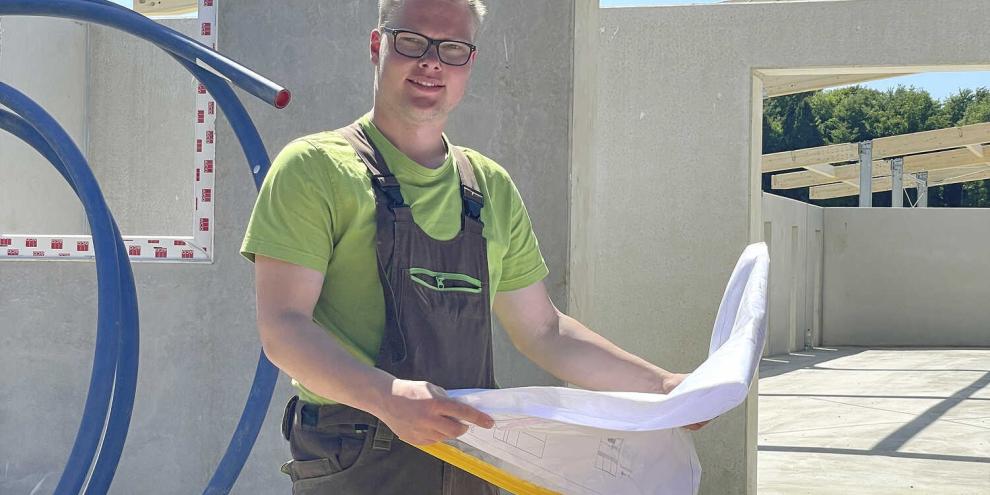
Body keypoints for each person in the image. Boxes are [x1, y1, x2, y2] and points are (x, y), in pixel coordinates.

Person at [241, 0, 706, 493]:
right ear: (377, 46)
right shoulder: (314, 169)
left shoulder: (488, 188)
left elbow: (545, 330)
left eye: (453, 49)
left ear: (470, 63)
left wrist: (662, 388)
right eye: (412, 42)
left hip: (472, 461)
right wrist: (387, 397)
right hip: (355, 460)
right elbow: (284, 328)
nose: (432, 62)